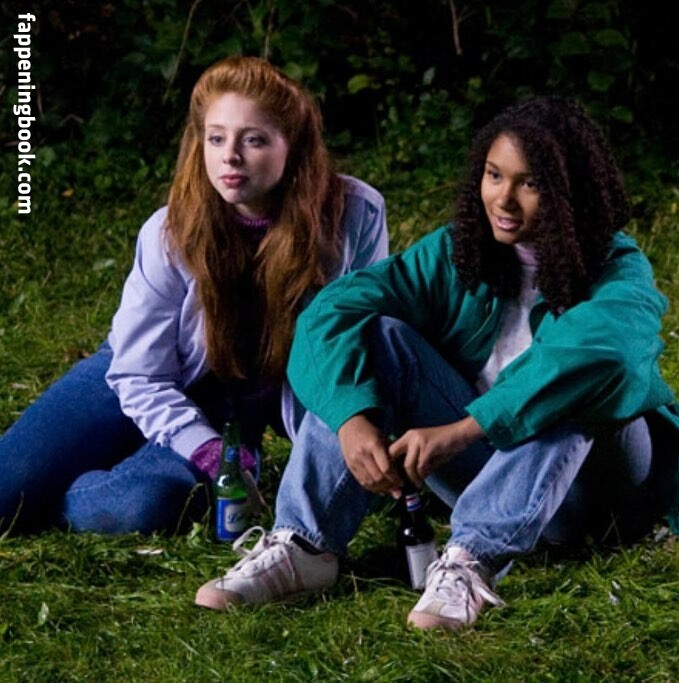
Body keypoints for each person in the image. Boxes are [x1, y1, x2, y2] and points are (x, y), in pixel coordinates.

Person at [195, 96, 679, 630]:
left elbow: (605, 357)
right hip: (494, 474)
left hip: (594, 495)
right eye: (494, 175)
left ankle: (470, 561)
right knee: (380, 334)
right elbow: (332, 312)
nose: (504, 199)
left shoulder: (617, 266)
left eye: (530, 183)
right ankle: (305, 545)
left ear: (570, 191)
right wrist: (350, 418)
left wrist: (463, 430)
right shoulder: (459, 250)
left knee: (577, 382)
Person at [0, 56, 388, 535]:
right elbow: (139, 374)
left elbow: (354, 340)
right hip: (141, 374)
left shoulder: (354, 216)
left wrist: (335, 439)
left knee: (139, 506)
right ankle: (65, 471)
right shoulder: (168, 231)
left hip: (236, 407)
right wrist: (203, 450)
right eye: (216, 138)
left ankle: (68, 494)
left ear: (294, 146)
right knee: (5, 490)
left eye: (254, 140)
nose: (230, 157)